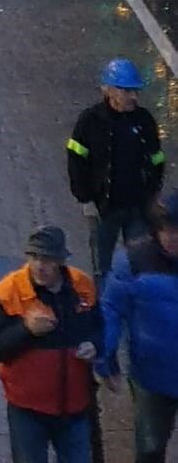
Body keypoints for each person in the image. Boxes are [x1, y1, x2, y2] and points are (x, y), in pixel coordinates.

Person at [0, 226, 101, 463]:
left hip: (75, 407)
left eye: (46, 258)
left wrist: (95, 346)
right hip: (27, 411)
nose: (39, 265)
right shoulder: (8, 292)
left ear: (60, 260)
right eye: (33, 257)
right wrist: (25, 330)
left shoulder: (83, 286)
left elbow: (99, 327)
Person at [98, 189, 178, 463]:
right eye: (167, 230)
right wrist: (105, 359)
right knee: (150, 450)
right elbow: (110, 309)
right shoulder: (133, 261)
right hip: (151, 378)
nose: (173, 238)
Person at [68, 58, 164, 282]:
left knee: (140, 265)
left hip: (137, 208)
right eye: (126, 91)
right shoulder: (90, 121)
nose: (133, 97)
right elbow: (75, 159)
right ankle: (103, 308)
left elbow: (157, 158)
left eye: (135, 91)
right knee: (103, 267)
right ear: (109, 90)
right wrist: (85, 199)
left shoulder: (144, 121)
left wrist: (152, 193)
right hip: (104, 209)